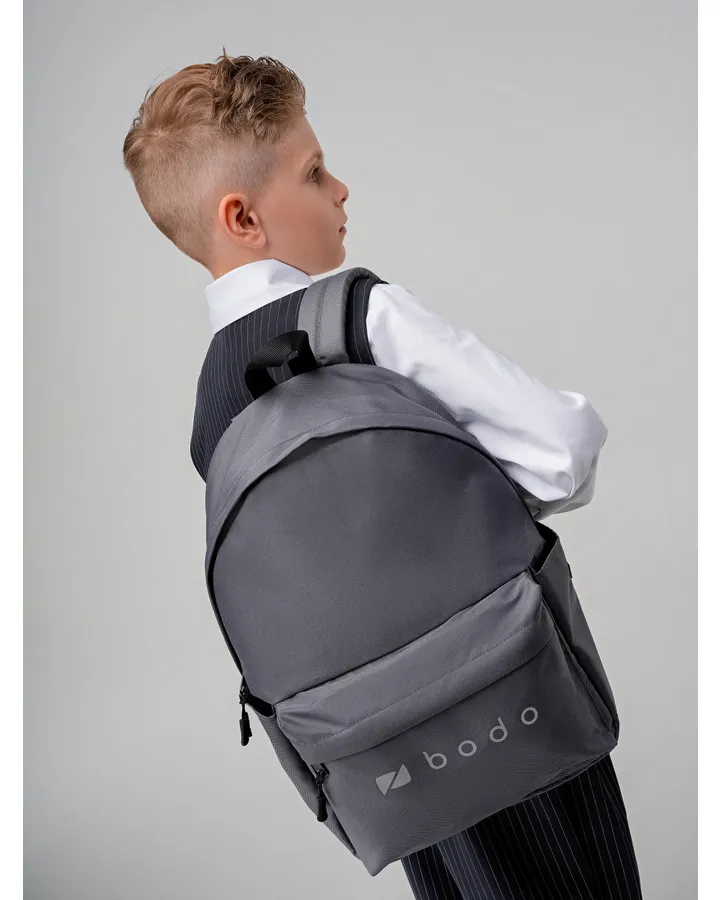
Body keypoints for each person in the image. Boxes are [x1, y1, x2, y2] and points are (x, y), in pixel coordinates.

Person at [122, 50, 644, 899]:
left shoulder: (211, 413)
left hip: (383, 758)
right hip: (512, 688)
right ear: (242, 217)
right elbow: (563, 451)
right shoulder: (361, 317)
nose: (341, 190)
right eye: (313, 172)